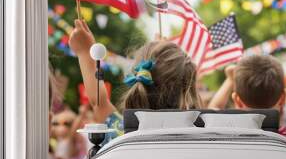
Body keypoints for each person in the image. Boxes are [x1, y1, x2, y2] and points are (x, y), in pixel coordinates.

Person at [68, 19, 201, 135]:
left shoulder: (123, 134)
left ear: (139, 75)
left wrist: (85, 52)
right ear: (188, 89)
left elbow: (99, 103)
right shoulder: (203, 137)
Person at [208, 55, 286, 141]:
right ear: (283, 98)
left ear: (237, 101)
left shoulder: (228, 135)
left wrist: (230, 79)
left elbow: (213, 109)